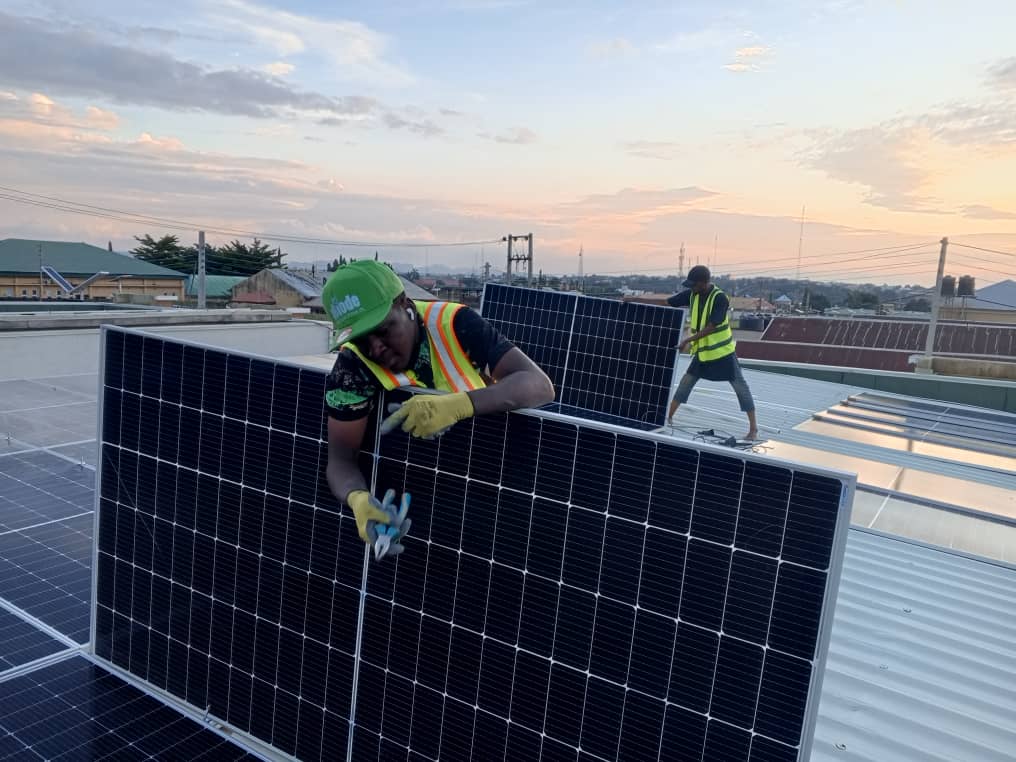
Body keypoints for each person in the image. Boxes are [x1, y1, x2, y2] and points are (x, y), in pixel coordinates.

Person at [321, 260, 555, 556]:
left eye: (383, 330)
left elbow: (538, 384)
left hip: (490, 480)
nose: (375, 348)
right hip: (419, 498)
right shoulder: (351, 368)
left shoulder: (455, 325)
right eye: (361, 339)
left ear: (405, 304)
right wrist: (357, 498)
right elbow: (341, 460)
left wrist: (461, 404)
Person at [666, 265, 758, 440]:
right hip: (704, 353)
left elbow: (711, 327)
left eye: (694, 284)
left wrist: (687, 340)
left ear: (704, 282)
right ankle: (668, 417)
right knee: (686, 383)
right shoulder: (692, 294)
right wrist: (634, 300)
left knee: (741, 388)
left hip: (723, 353)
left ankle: (753, 429)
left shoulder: (719, 298)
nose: (692, 288)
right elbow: (668, 302)